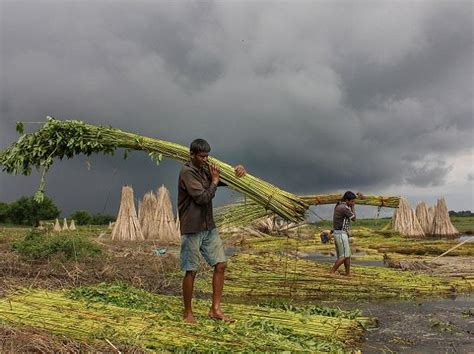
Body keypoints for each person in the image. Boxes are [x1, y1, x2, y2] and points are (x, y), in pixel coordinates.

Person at [178, 138, 246, 323]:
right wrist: (215, 181)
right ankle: (188, 312)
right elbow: (202, 197)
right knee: (191, 270)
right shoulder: (187, 172)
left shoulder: (204, 169)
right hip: (192, 227)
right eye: (202, 156)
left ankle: (215, 309)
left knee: (221, 264)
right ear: (192, 154)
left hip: (208, 226)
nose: (205, 159)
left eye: (207, 156)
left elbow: (225, 181)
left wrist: (237, 172)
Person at [330, 191, 357, 276]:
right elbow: (354, 218)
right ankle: (332, 272)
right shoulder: (344, 208)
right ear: (347, 200)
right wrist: (353, 207)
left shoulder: (338, 205)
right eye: (352, 201)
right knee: (344, 256)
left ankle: (348, 273)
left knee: (347, 255)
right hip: (341, 234)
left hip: (339, 233)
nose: (353, 203)